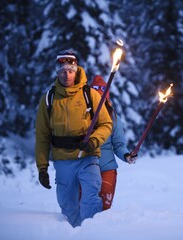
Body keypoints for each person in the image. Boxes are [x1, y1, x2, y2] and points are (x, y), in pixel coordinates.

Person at [35, 49, 112, 227]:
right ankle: (73, 234)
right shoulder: (49, 99)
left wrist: (94, 141)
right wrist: (42, 167)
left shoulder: (90, 95)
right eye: (62, 71)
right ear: (57, 72)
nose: (66, 75)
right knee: (68, 206)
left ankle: (91, 234)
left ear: (76, 70)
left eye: (70, 71)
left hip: (88, 157)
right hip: (63, 160)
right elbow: (42, 136)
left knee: (91, 197)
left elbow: (106, 124)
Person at [89, 75, 137, 210]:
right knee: (86, 207)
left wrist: (126, 155)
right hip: (85, 168)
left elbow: (119, 144)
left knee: (104, 208)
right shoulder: (83, 115)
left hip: (107, 169)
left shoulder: (114, 117)